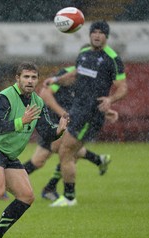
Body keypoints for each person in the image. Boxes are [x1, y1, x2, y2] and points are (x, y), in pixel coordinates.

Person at [0, 61, 67, 238]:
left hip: (9, 154)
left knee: (26, 196)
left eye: (33, 77)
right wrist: (22, 121)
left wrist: (58, 131)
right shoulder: (3, 98)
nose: (30, 81)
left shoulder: (37, 101)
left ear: (37, 80)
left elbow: (46, 131)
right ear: (17, 78)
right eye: (26, 77)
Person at [43, 21, 128, 207]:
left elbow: (123, 87)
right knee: (61, 148)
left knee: (66, 151)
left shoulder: (112, 58)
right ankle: (97, 160)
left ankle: (69, 197)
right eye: (94, 32)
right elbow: (75, 73)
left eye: (101, 33)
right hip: (77, 108)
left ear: (107, 36)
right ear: (89, 35)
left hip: (90, 114)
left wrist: (110, 101)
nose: (97, 35)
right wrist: (56, 79)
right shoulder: (84, 53)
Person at [23, 45, 119, 201]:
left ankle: (50, 187)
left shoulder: (90, 78)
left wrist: (105, 111)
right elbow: (45, 94)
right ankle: (12, 182)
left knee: (65, 151)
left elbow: (86, 102)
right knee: (48, 156)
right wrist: (63, 114)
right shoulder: (68, 74)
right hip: (53, 120)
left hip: (70, 121)